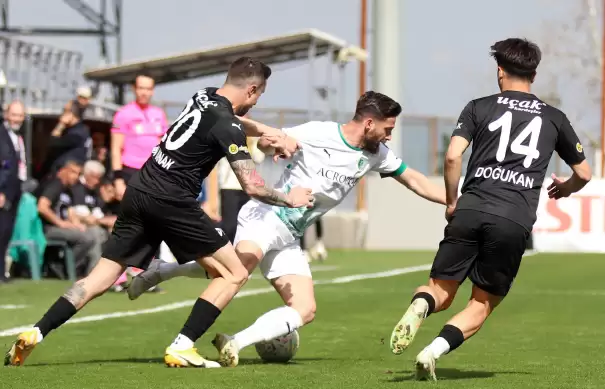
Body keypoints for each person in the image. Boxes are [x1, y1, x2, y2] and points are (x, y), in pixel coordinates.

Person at [4, 56, 312, 367]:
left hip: (140, 189)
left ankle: (36, 331)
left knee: (100, 277)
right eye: (259, 96)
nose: (256, 103)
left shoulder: (203, 95)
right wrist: (291, 198)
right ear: (252, 89)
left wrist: (267, 131)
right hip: (171, 199)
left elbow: (233, 120)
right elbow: (253, 186)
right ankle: (183, 344)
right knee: (234, 272)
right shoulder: (228, 125)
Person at [128, 91, 447, 368]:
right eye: (387, 129)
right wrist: (270, 144)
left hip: (289, 237)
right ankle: (179, 328)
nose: (389, 136)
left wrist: (454, 201)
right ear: (368, 123)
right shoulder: (319, 133)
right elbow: (269, 140)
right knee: (236, 271)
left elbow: (416, 180)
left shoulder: (377, 155)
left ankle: (232, 341)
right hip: (266, 216)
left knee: (305, 309)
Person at [388, 38, 592, 381]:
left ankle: (422, 305)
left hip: (471, 209)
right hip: (513, 218)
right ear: (535, 74)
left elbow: (453, 156)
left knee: (439, 289)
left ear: (500, 72)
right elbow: (584, 173)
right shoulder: (554, 118)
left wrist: (453, 201)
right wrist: (565, 189)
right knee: (481, 304)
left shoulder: (478, 107)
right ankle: (432, 351)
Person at [110, 73, 169, 289]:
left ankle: (146, 274)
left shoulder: (158, 114)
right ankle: (117, 276)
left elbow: (164, 146)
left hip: (153, 173)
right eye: (141, 88)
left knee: (153, 223)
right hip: (129, 171)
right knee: (127, 223)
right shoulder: (123, 114)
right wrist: (117, 178)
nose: (144, 92)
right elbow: (115, 148)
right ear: (134, 89)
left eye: (148, 88)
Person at [36, 160, 97, 276]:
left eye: (79, 174)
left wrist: (76, 224)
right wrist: (61, 224)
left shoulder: (67, 189)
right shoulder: (55, 184)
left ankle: (68, 269)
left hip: (59, 228)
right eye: (73, 172)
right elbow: (42, 207)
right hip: (45, 228)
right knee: (86, 238)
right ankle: (63, 268)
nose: (76, 177)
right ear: (62, 170)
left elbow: (70, 211)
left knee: (90, 233)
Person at [0, 100, 26, 281]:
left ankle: (2, 272)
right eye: (14, 114)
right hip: (3, 191)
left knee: (6, 232)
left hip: (15, 191)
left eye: (20, 115)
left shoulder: (18, 136)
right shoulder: (2, 134)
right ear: (6, 114)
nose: (17, 119)